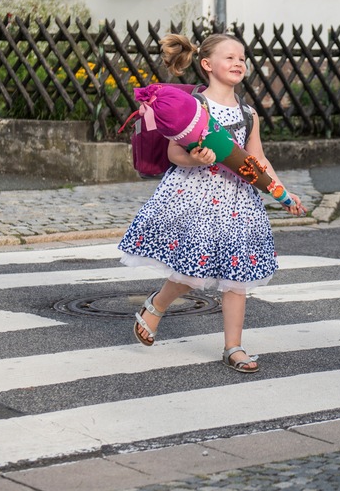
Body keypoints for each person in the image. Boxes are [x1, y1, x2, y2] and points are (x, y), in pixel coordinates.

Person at [118, 33, 305, 374]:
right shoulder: (195, 107)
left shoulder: (249, 114)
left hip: (238, 202)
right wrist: (198, 159)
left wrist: (282, 191)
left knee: (238, 276)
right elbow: (176, 153)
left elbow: (256, 158)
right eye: (229, 57)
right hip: (198, 197)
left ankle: (233, 346)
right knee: (191, 270)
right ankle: (156, 306)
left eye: (242, 58)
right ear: (206, 65)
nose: (238, 63)